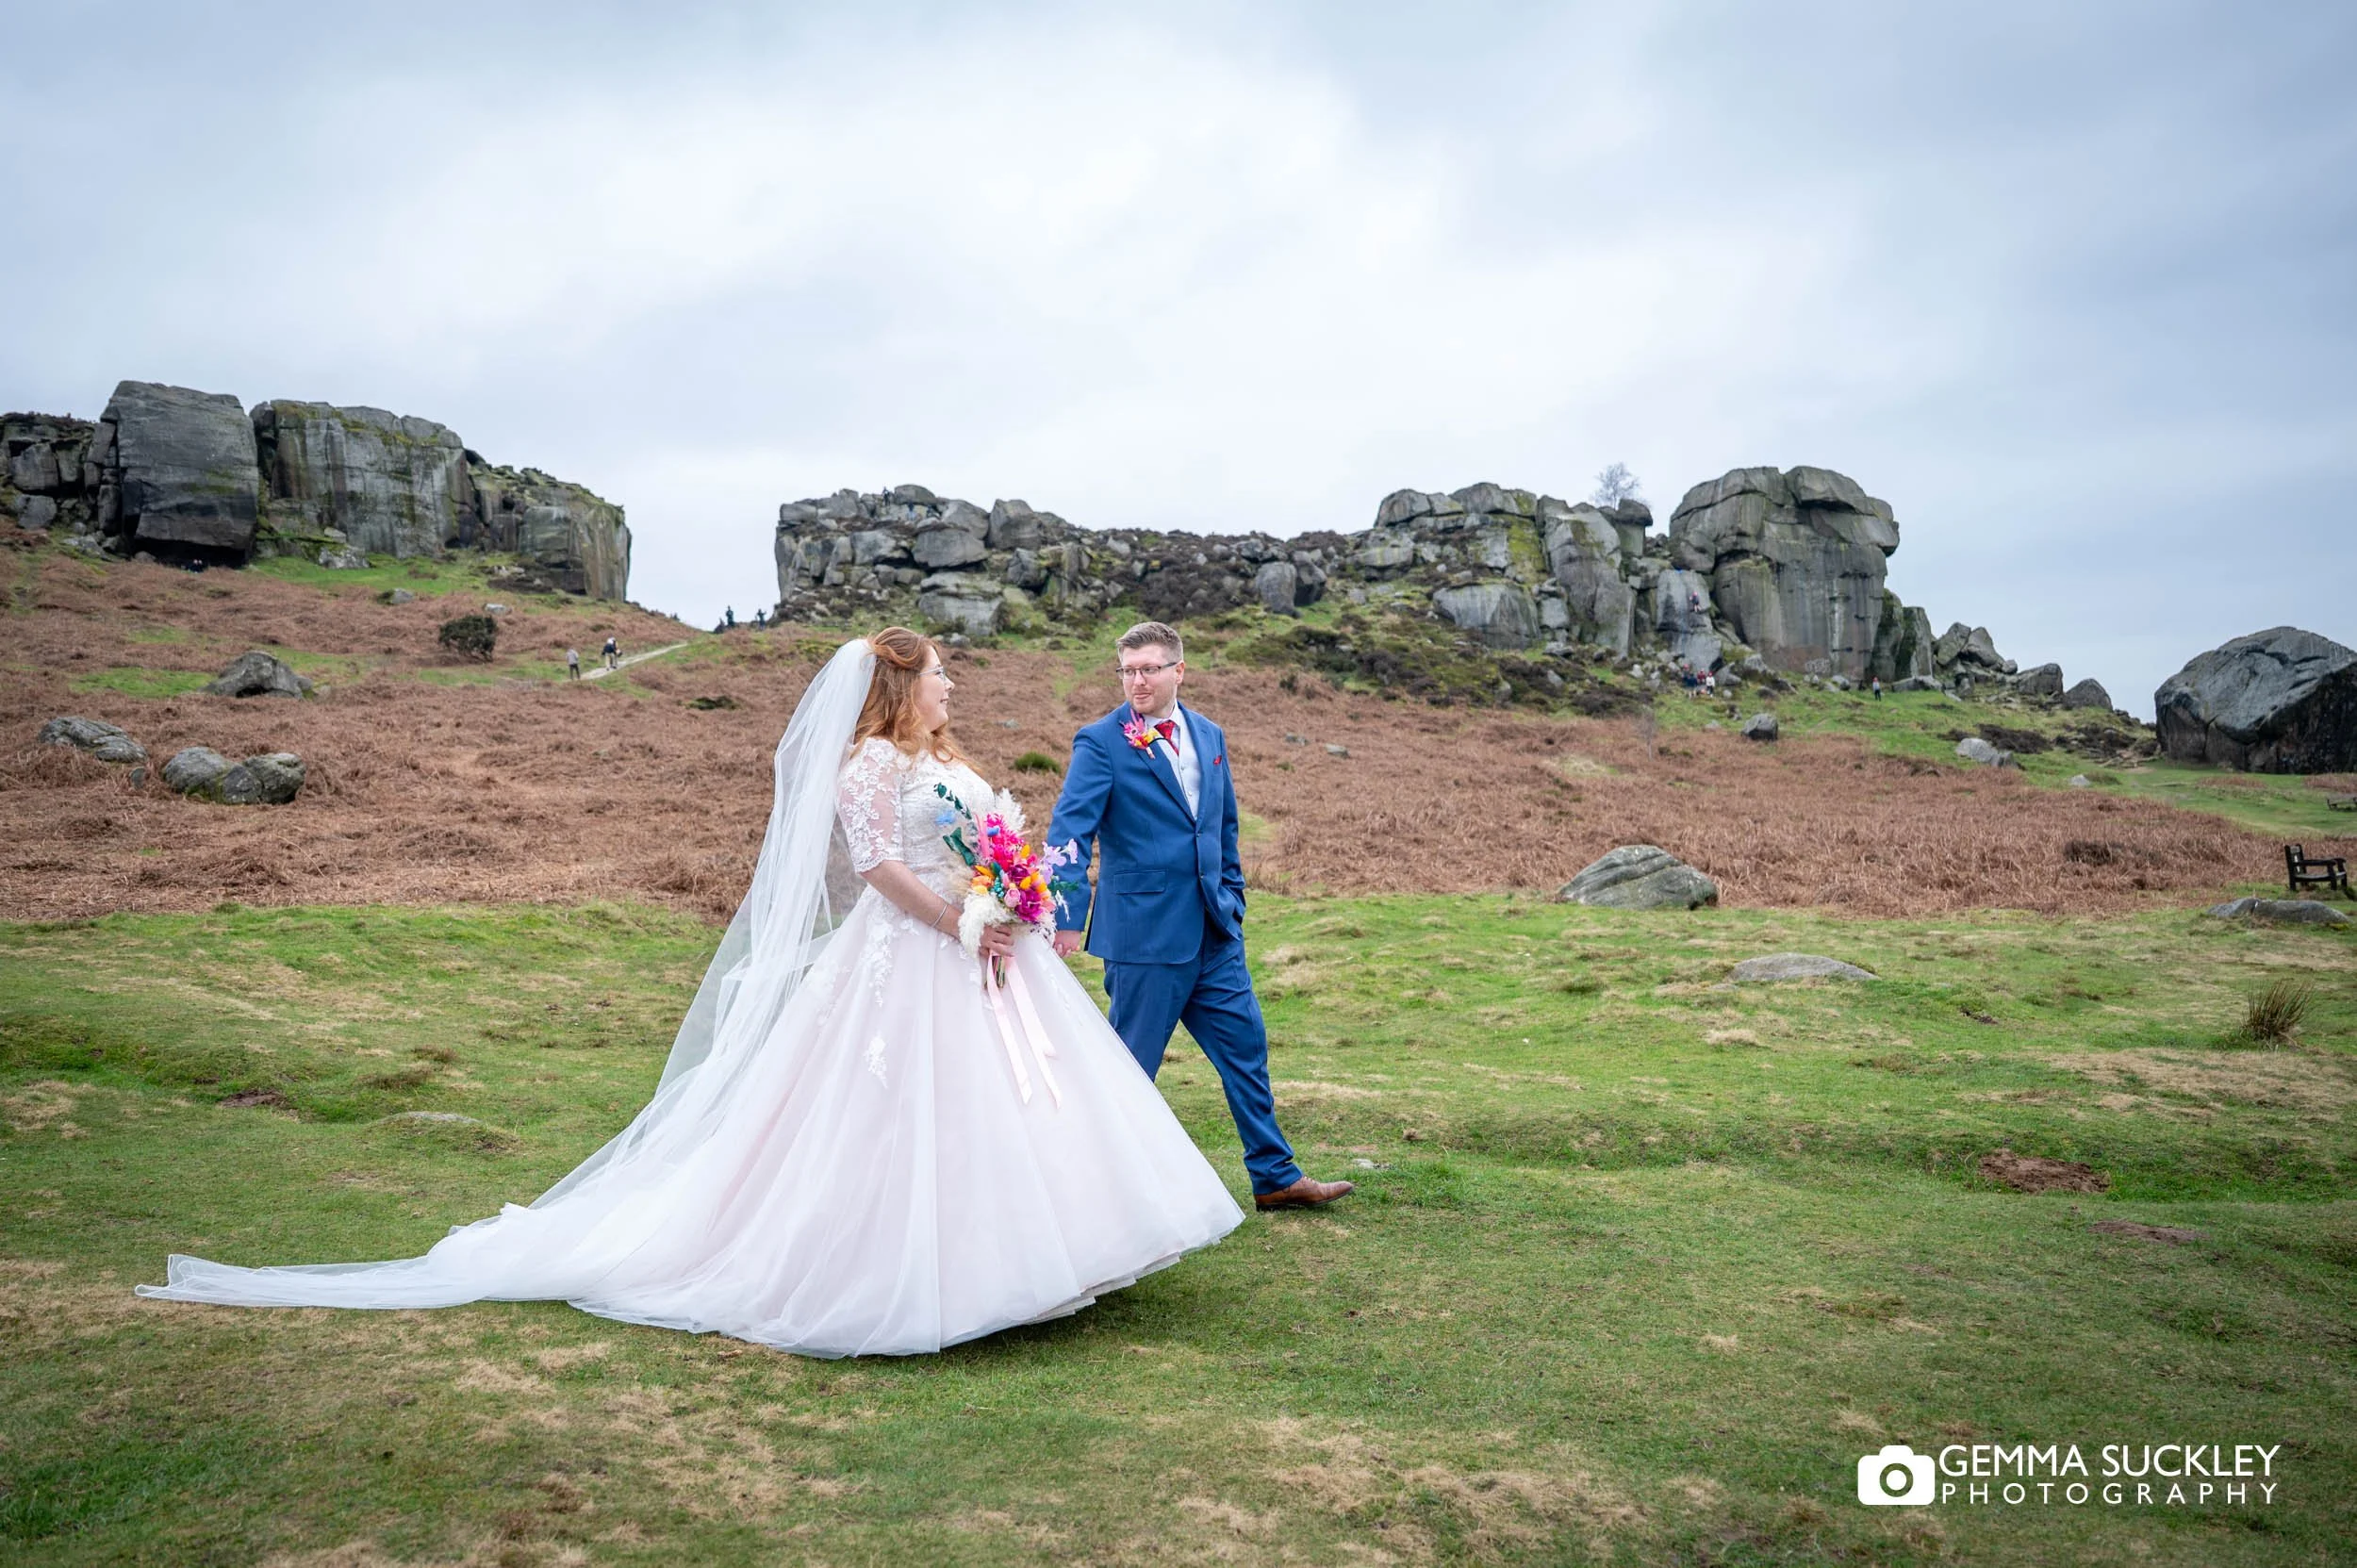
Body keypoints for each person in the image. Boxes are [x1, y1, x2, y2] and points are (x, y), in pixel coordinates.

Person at [138, 630, 1243, 1356]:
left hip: (988, 949)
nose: (954, 683)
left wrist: (1007, 900)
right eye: (941, 672)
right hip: (910, 951)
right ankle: (911, 1273)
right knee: (890, 1113)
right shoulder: (868, 767)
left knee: (1017, 1099)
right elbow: (878, 871)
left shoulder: (943, 757)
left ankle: (1048, 1258)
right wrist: (960, 916)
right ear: (901, 685)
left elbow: (981, 840)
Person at [1048, 621, 1353, 1212]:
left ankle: (1275, 1177)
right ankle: (1087, 1194)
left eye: (1148, 669)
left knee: (1247, 1049)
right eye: (1128, 671)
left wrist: (1232, 896)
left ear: (1178, 671)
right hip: (1144, 937)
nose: (1136, 680)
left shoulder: (1209, 733)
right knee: (1129, 1070)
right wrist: (1065, 913)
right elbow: (1070, 831)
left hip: (1215, 931)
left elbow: (1222, 823)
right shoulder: (1100, 741)